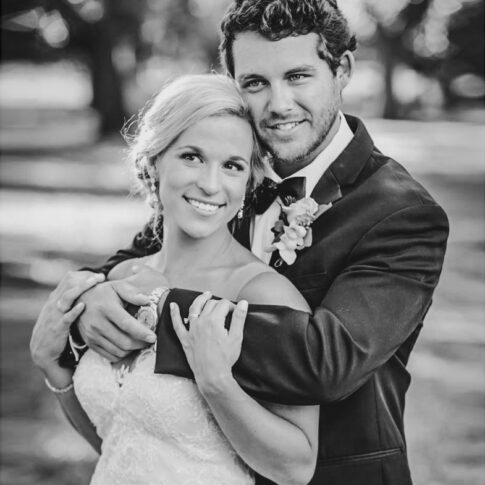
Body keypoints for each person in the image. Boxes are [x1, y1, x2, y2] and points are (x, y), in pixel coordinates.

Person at [52, 1, 449, 484]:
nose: (278, 104)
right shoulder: (230, 171)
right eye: (256, 82)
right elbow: (142, 255)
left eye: (298, 76)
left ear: (342, 69)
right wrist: (93, 293)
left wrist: (150, 306)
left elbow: (326, 361)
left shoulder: (402, 215)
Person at [30, 74, 320, 485]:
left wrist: (217, 384)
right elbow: (117, 439)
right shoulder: (122, 278)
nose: (210, 184)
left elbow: (296, 468)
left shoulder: (264, 297)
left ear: (249, 181)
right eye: (192, 157)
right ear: (154, 161)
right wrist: (52, 368)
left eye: (232, 166)